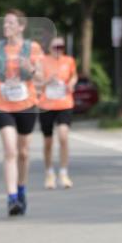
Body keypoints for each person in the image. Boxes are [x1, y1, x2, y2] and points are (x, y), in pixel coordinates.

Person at [0, 10, 43, 216]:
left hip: (26, 103)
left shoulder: (32, 48)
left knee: (24, 153)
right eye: (5, 23)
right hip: (2, 104)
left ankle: (21, 189)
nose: (6, 26)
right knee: (10, 151)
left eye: (10, 23)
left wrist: (32, 69)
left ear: (21, 26)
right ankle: (11, 199)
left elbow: (42, 77)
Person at [38, 37, 78, 189]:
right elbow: (36, 82)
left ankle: (63, 172)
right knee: (48, 142)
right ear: (49, 48)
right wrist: (47, 81)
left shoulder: (69, 61)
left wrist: (71, 84)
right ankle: (49, 173)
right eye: (55, 47)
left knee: (63, 136)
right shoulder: (42, 61)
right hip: (46, 104)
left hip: (64, 103)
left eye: (61, 47)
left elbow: (73, 76)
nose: (58, 49)